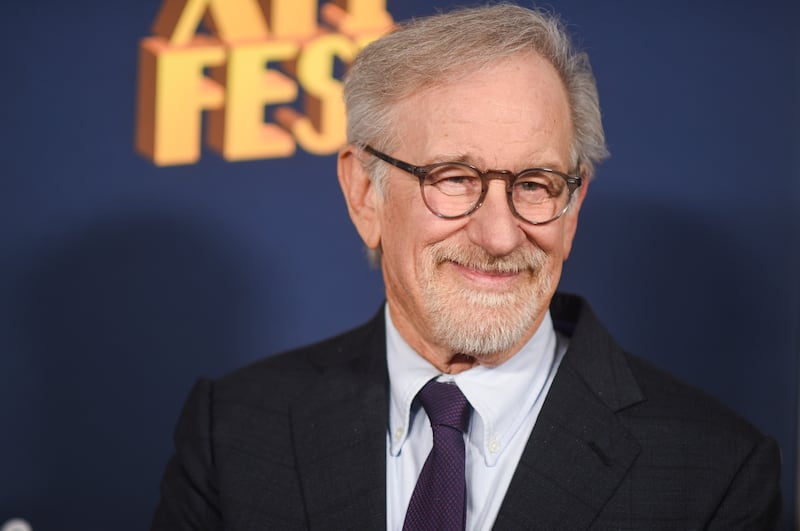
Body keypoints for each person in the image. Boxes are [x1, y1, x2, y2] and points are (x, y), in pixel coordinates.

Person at [151, 4, 782, 529]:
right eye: (453, 178)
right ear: (364, 193)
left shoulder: (715, 471)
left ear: (574, 204)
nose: (501, 234)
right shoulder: (232, 430)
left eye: (535, 183)